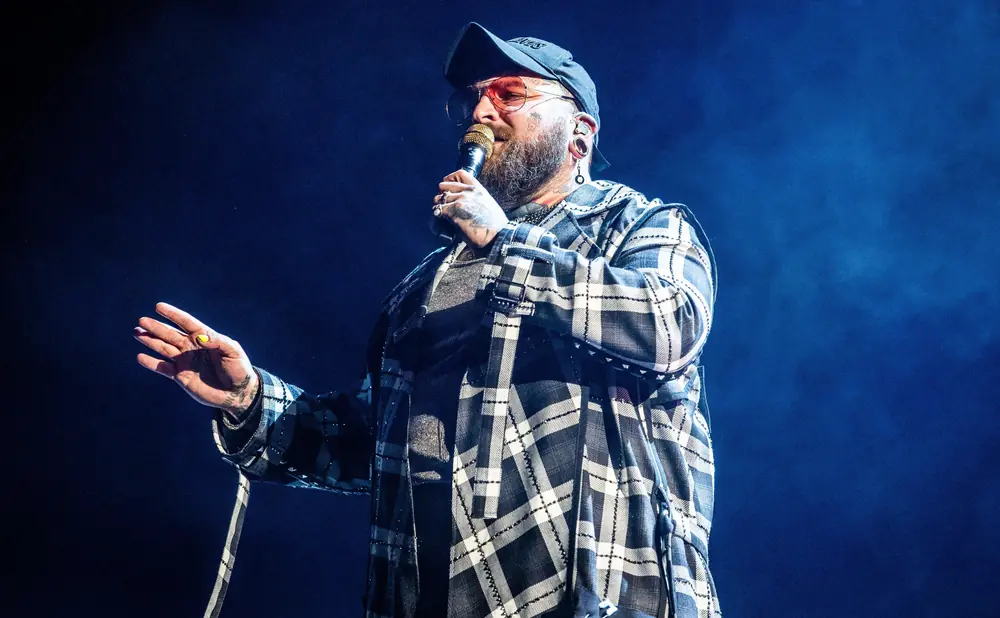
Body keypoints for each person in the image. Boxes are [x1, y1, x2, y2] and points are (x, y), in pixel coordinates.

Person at [134, 22, 721, 618]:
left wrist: (504, 242)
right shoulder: (427, 282)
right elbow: (373, 444)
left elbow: (670, 324)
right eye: (473, 98)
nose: (481, 112)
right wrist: (249, 400)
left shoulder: (637, 226)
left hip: (606, 599)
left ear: (580, 134)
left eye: (510, 94)